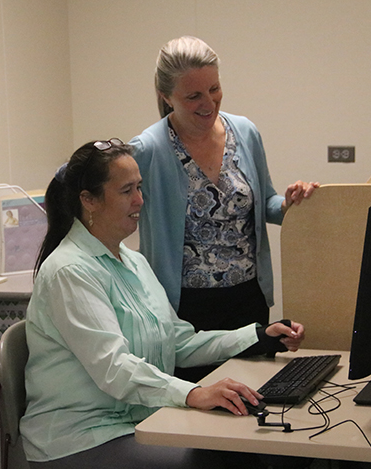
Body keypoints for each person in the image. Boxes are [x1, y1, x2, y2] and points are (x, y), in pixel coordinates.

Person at [20, 139, 306, 469]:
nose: (140, 200)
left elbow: (179, 342)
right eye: (127, 190)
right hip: (81, 437)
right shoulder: (69, 271)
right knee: (210, 460)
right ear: (89, 200)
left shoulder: (133, 262)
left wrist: (258, 336)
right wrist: (192, 394)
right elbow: (114, 368)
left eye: (140, 187)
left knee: (243, 448)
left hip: (139, 422)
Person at [129, 36, 320, 345]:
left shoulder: (244, 132)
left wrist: (290, 205)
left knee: (254, 390)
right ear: (167, 97)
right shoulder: (148, 148)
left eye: (214, 89)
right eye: (193, 96)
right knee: (199, 391)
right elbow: (76, 177)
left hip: (248, 297)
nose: (209, 103)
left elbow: (266, 203)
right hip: (183, 307)